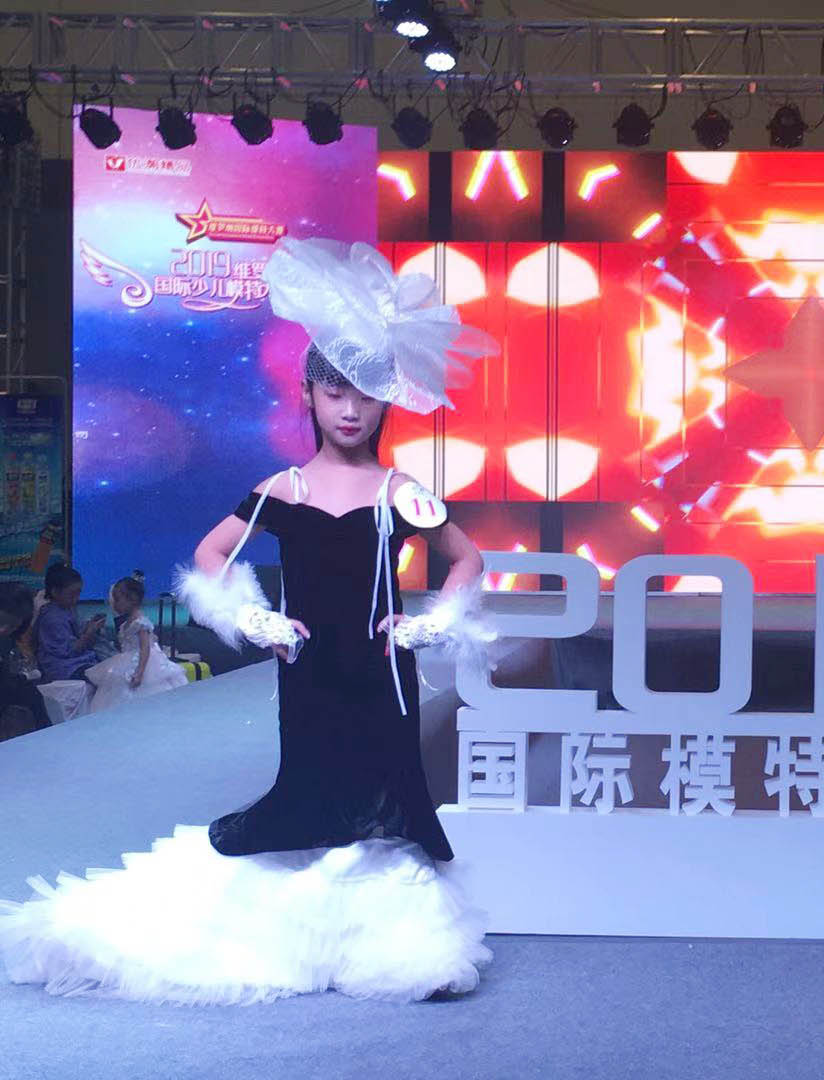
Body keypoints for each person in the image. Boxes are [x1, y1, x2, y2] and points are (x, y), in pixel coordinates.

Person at [1, 237, 499, 1004]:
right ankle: (306, 928)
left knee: (392, 798)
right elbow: (211, 553)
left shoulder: (401, 491)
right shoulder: (283, 488)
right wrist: (258, 621)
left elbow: (467, 559)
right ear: (309, 394)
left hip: (384, 680)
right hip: (310, 675)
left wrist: (426, 627)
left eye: (365, 393)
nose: (349, 408)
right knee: (312, 789)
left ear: (386, 400)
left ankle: (396, 945)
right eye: (334, 390)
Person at [85, 572, 189, 713]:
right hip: (127, 660)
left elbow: (145, 648)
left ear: (132, 600)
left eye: (117, 599)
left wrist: (140, 671)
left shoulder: (140, 623)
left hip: (145, 663)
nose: (114, 604)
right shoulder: (126, 623)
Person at [32, 565, 102, 684]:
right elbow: (68, 651)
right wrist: (88, 634)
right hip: (62, 666)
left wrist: (90, 626)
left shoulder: (67, 609)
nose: (76, 598)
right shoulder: (52, 618)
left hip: (76, 660)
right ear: (55, 592)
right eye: (72, 594)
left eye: (78, 593)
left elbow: (76, 634)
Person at [0, 581, 49, 739]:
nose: (3, 630)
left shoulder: (6, 641)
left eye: (12, 626)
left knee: (31, 694)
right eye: (1, 621)